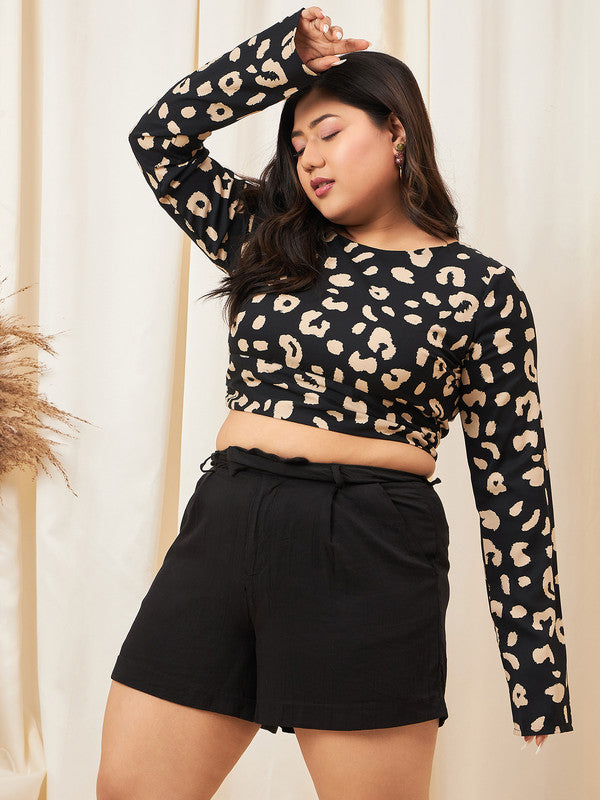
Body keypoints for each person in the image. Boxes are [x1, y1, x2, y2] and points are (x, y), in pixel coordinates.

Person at [97, 6, 573, 799]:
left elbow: (515, 486)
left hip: (369, 548)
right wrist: (279, 59)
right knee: (130, 790)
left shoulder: (479, 288)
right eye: (296, 145)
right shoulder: (269, 236)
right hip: (228, 524)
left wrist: (536, 673)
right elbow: (160, 141)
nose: (309, 159)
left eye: (328, 132)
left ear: (396, 132)